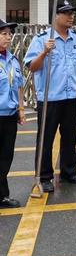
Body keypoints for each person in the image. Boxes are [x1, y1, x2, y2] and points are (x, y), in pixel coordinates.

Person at [24, 0, 76, 192]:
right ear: (56, 16)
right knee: (46, 139)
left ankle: (70, 171)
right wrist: (45, 52)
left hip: (71, 97)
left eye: (72, 13)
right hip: (50, 98)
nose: (71, 16)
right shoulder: (42, 39)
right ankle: (44, 176)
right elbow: (31, 67)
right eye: (67, 13)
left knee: (70, 136)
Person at [0, 19, 25, 208]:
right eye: (4, 34)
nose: (8, 37)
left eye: (9, 34)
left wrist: (21, 108)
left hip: (9, 115)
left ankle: (2, 195)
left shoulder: (13, 59)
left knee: (6, 157)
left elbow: (19, 86)